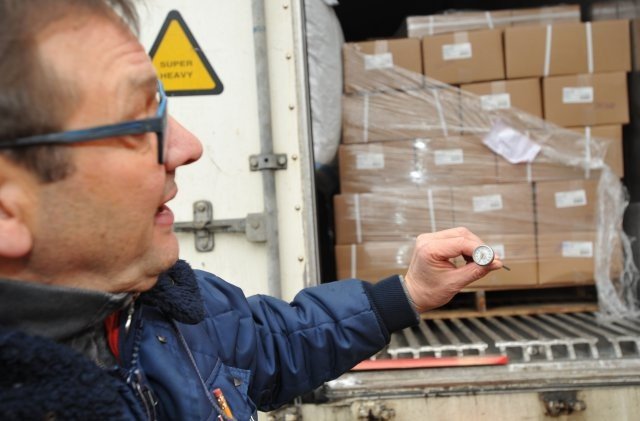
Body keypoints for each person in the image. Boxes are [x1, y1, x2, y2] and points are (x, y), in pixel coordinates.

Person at [0, 0, 503, 419]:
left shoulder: (164, 304)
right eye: (137, 124)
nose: (189, 147)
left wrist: (408, 293)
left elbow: (270, 343)